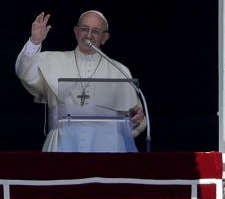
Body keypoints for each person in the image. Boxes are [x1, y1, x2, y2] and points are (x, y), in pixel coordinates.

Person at [15, 10, 146, 152]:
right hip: (63, 145)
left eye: (95, 31)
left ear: (104, 37)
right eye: (84, 29)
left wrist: (135, 120)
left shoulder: (119, 70)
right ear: (76, 32)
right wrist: (35, 42)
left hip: (109, 146)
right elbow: (25, 73)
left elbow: (136, 118)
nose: (88, 35)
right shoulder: (52, 61)